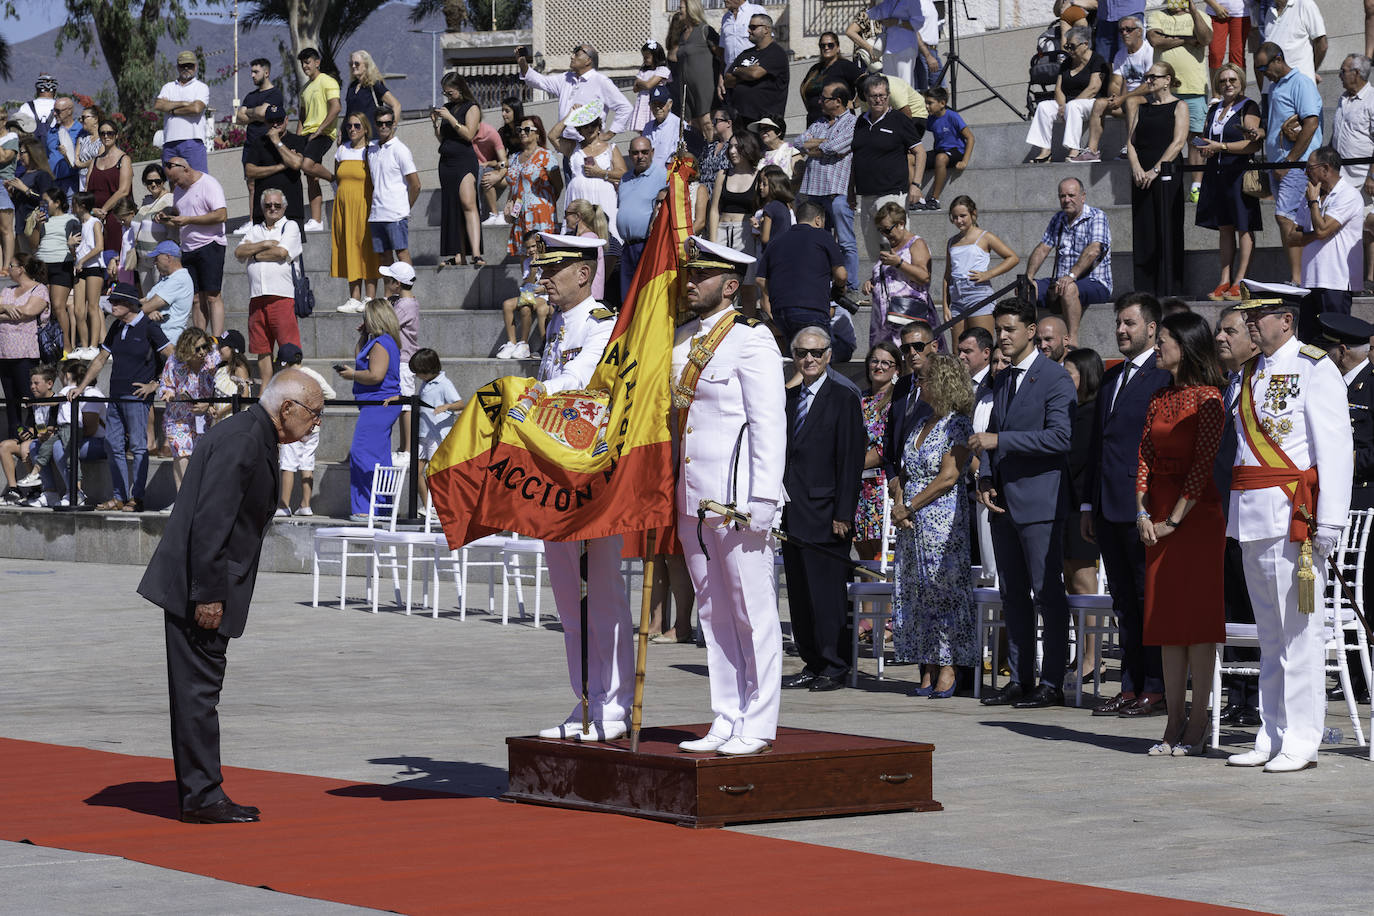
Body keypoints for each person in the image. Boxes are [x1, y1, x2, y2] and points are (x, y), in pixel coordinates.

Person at [137, 369, 324, 824]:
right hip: (200, 589)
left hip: (205, 584)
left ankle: (200, 790)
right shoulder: (243, 440)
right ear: (287, 409)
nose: (317, 423)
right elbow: (211, 523)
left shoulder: (250, 434)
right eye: (314, 413)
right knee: (199, 693)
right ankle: (202, 797)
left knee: (200, 691)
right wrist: (208, 595)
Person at [1227, 291, 1351, 773]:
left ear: (1285, 319)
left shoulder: (1313, 367)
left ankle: (1302, 737)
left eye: (1259, 316)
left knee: (1300, 633)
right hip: (1253, 514)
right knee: (1270, 635)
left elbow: (1335, 448)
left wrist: (1331, 520)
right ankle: (1272, 731)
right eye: (1248, 317)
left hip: (1293, 517)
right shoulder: (1248, 372)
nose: (1251, 324)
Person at [516, 232, 633, 744]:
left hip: (591, 476)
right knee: (569, 599)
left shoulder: (603, 324)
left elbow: (584, 379)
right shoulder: (558, 324)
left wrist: (532, 392)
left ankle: (614, 704)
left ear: (584, 273)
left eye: (554, 270)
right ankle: (585, 698)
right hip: (554, 474)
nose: (544, 279)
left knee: (602, 593)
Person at [972, 296, 1076, 709]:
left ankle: (1052, 681)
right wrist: (984, 475)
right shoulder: (1003, 379)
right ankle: (1020, 677)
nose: (1002, 337)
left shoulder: (1053, 377)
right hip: (1002, 503)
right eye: (998, 330)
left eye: (1009, 330)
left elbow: (1060, 438)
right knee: (1012, 593)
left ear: (1031, 331)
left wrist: (1001, 442)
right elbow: (994, 430)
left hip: (1039, 502)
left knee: (1047, 594)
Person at [1135, 311, 1227, 756]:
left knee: (1197, 624)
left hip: (1196, 518)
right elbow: (1144, 456)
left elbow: (1203, 466)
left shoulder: (1209, 397)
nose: (1157, 346)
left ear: (1185, 346)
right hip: (1158, 516)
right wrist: (1141, 511)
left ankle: (1199, 721)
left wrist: (1173, 520)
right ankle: (1173, 720)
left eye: (1164, 339)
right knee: (1167, 624)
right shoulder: (1158, 397)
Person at [1080, 291, 1173, 716]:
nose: (1120, 330)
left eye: (1129, 323)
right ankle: (1131, 683)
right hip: (1107, 507)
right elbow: (1097, 446)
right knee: (1123, 601)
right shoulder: (1113, 378)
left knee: (1148, 599)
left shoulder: (1163, 376)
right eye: (1118, 323)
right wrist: (1087, 505)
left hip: (1143, 510)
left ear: (1152, 329)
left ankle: (1156, 685)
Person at [781, 325, 866, 693]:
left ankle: (834, 663)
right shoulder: (789, 397)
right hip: (792, 510)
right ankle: (812, 660)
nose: (809, 359)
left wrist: (843, 513)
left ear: (829, 355)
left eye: (816, 353)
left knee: (827, 593)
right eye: (802, 353)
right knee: (799, 594)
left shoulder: (843, 397)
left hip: (828, 512)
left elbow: (850, 461)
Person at [890, 352, 975, 696]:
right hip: (911, 520)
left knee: (944, 592)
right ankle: (927, 661)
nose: (918, 384)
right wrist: (900, 504)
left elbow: (948, 477)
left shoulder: (957, 424)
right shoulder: (921, 421)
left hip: (941, 520)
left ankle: (949, 664)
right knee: (918, 593)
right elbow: (903, 473)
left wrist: (909, 505)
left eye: (923, 379)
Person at [71, 283, 173, 512]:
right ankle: (119, 497)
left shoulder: (149, 327)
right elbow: (100, 359)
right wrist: (81, 387)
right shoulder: (117, 326)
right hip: (115, 397)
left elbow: (171, 356)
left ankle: (137, 498)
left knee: (138, 447)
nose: (112, 306)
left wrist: (155, 384)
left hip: (136, 398)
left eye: (116, 302)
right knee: (112, 445)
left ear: (129, 304)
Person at [1319, 313, 1374, 704]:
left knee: (1366, 592)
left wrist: (1335, 460)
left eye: (1328, 347)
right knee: (1343, 593)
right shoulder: (1332, 385)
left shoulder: (1370, 386)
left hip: (1365, 503)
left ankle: (1366, 672)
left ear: (1341, 351)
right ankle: (1353, 675)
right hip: (1337, 503)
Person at [1213, 305, 1261, 726]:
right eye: (1218, 331)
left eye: (1229, 331)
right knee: (1230, 607)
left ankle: (1258, 698)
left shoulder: (1261, 382)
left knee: (1253, 605)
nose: (1220, 338)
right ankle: (1238, 697)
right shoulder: (1225, 383)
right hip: (1223, 515)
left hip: (1254, 514)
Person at [1253, 41, 1322, 287]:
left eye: (1263, 69)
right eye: (1258, 71)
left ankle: (1298, 278)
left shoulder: (1300, 82)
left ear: (1278, 60)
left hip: (1296, 163)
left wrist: (1290, 161)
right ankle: (1299, 275)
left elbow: (1311, 123)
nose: (1263, 75)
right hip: (1278, 163)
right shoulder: (1275, 87)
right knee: (1287, 219)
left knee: (1286, 218)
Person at [1196, 63, 1263, 301]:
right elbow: (1208, 137)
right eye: (1223, 81)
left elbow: (1253, 143)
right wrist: (1206, 148)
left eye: (1232, 80)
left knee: (1244, 226)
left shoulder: (1249, 106)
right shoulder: (1215, 108)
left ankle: (1240, 281)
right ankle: (1224, 279)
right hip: (1217, 172)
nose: (1228, 84)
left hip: (1239, 172)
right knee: (1224, 227)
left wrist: (1222, 147)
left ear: (1242, 82)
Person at [1283, 146, 1364, 342]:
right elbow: (1292, 236)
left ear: (1325, 168)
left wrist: (1313, 205)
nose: (1305, 172)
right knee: (1308, 342)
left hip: (1335, 281)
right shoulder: (1313, 195)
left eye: (1309, 167)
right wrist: (1318, 230)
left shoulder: (1348, 195)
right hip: (1310, 281)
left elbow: (1321, 230)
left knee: (1336, 342)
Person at [1024, 177, 1112, 347]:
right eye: (1062, 196)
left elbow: (1094, 249)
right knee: (1027, 289)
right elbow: (1043, 248)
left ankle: (1071, 340)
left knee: (1069, 287)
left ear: (1083, 196)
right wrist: (1028, 277)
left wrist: (1071, 276)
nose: (1066, 200)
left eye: (1071, 195)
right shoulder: (1058, 218)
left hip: (1096, 283)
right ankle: (1029, 339)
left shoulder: (1097, 216)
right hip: (1062, 282)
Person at [335, 298, 402, 520]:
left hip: (378, 405)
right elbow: (360, 356)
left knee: (362, 454)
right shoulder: (381, 341)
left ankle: (366, 509)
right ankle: (381, 508)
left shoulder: (382, 343)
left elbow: (375, 375)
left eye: (366, 317)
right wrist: (363, 335)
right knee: (379, 456)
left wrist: (351, 375)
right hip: (376, 405)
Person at [1127, 60, 1189, 296]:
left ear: (1167, 80)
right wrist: (1136, 168)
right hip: (1141, 175)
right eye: (1147, 76)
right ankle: (1145, 289)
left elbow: (1178, 142)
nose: (1149, 81)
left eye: (1153, 76)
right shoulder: (1142, 107)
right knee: (1144, 229)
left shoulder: (1179, 106)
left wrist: (1155, 170)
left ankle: (1169, 287)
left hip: (1165, 175)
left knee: (1167, 226)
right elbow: (1131, 143)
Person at [1062, 347, 1105, 684]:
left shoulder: (1092, 412)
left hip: (1082, 504)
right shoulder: (1069, 409)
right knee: (1070, 580)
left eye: (1070, 374)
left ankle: (1094, 656)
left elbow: (1076, 457)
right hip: (1064, 503)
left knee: (1083, 579)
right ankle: (1083, 654)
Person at [850, 76, 925, 263]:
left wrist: (916, 184)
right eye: (874, 96)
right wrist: (850, 191)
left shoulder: (899, 120)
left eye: (882, 95)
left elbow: (920, 152)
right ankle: (882, 289)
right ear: (866, 97)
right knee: (874, 251)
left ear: (889, 96)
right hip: (866, 197)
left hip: (892, 195)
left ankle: (902, 289)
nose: (878, 100)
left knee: (897, 248)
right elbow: (855, 158)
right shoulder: (860, 122)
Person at [516, 42, 631, 158]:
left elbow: (625, 107)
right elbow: (539, 81)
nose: (572, 56)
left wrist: (609, 134)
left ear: (588, 61)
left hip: (590, 148)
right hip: (567, 147)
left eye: (577, 54)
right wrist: (523, 64)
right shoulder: (566, 78)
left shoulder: (600, 81)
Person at [234, 189, 303, 383]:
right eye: (268, 205)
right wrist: (264, 244)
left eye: (277, 205)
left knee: (289, 347)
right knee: (261, 349)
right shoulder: (256, 230)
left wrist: (253, 254)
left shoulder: (290, 226)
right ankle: (266, 388)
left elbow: (281, 252)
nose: (272, 209)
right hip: (257, 297)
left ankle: (293, 385)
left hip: (281, 296)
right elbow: (239, 252)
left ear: (284, 207)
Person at [1146, 0, 1211, 203]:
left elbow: (1206, 38)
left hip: (1194, 88)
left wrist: (1193, 10)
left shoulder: (1201, 15)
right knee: (1164, 137)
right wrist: (1187, 39)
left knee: (1196, 139)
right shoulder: (1157, 15)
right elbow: (1155, 40)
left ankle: (1196, 186)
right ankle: (1164, 180)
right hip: (1165, 91)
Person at [798, 81, 859, 296]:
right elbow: (798, 142)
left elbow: (837, 146)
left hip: (838, 192)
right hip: (815, 192)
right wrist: (823, 144)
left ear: (838, 102)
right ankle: (821, 282)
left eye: (824, 98)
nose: (819, 101)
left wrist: (816, 146)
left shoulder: (852, 122)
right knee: (816, 242)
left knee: (845, 242)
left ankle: (850, 286)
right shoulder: (818, 122)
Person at [756, 199, 846, 344]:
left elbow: (760, 280)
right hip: (812, 308)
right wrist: (840, 288)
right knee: (817, 356)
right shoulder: (823, 236)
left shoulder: (776, 240)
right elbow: (841, 275)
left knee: (796, 356)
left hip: (781, 311)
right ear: (818, 220)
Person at [165, 156, 228, 338]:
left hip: (210, 244)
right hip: (188, 247)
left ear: (186, 169)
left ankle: (216, 339)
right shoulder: (179, 190)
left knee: (212, 295)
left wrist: (189, 220)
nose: (175, 184)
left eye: (176, 179)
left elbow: (221, 215)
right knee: (194, 298)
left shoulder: (208, 184)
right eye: (172, 181)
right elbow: (180, 211)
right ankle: (200, 338)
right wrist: (167, 216)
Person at [1026, 26, 1109, 162]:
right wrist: (1062, 106)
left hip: (1090, 103)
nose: (1069, 50)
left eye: (1072, 46)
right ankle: (1045, 151)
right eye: (1067, 46)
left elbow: (1093, 88)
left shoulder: (1097, 60)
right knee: (1044, 107)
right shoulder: (1067, 62)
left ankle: (1074, 150)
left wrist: (1068, 106)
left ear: (1085, 44)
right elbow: (1058, 89)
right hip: (1069, 104)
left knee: (1074, 106)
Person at [1077, 17, 1154, 162]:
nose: (1124, 33)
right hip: (1127, 100)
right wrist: (1114, 97)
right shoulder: (1121, 54)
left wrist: (1123, 98)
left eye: (1129, 29)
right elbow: (1116, 82)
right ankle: (1092, 151)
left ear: (1139, 31)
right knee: (1099, 103)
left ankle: (1130, 147)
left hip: (1148, 99)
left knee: (1131, 101)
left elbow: (1150, 84)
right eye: (1121, 30)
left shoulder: (1149, 51)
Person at [860, 202, 936, 346]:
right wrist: (871, 281)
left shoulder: (916, 243)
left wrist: (899, 263)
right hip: (884, 320)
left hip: (906, 317)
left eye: (887, 230)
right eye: (880, 230)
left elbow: (923, 276)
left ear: (901, 224)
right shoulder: (892, 247)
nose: (884, 235)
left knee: (908, 357)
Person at [156, 326, 221, 493]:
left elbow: (222, 388)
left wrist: (209, 405)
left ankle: (194, 498)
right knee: (182, 455)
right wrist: (168, 393)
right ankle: (184, 498)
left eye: (204, 347)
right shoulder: (174, 361)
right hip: (178, 418)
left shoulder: (214, 359)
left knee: (200, 459)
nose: (202, 352)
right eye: (197, 348)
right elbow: (165, 384)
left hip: (205, 418)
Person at [942, 196, 1017, 339]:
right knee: (959, 349)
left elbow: (1012, 258)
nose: (959, 221)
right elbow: (947, 275)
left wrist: (988, 274)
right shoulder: (952, 241)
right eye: (955, 217)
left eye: (963, 216)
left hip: (978, 293)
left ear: (973, 214)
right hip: (956, 297)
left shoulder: (985, 236)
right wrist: (946, 306)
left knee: (982, 343)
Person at [855, 342, 901, 570]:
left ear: (896, 370)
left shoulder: (897, 403)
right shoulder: (857, 400)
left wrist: (851, 465)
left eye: (886, 362)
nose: (879, 366)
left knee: (883, 560)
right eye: (875, 361)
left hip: (881, 487)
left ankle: (887, 608)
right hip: (857, 488)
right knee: (864, 560)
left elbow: (886, 447)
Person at [274, 343, 334, 517]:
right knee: (307, 463)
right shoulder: (313, 375)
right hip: (312, 428)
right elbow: (331, 394)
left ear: (284, 362)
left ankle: (284, 505)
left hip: (293, 428)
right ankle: (305, 505)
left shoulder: (287, 377)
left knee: (288, 464)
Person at [432, 72, 484, 270]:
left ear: (460, 88)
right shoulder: (447, 108)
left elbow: (468, 134)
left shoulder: (471, 108)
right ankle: (458, 254)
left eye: (451, 93)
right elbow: (443, 138)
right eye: (446, 94)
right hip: (446, 161)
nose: (448, 97)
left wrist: (451, 118)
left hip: (464, 160)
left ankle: (476, 253)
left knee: (468, 202)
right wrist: (436, 123)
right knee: (453, 208)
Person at [330, 111, 380, 313]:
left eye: (357, 126)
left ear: (365, 129)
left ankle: (370, 297)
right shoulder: (341, 151)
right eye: (349, 126)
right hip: (344, 208)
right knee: (349, 248)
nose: (352, 129)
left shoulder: (372, 151)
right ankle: (354, 297)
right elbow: (336, 178)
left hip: (366, 206)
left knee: (367, 249)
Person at [1333, 55, 1374, 293]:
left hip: (1364, 177)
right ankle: (1360, 279)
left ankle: (1369, 277)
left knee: (1369, 226)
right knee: (1356, 229)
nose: (1340, 74)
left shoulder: (1371, 98)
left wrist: (1372, 175)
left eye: (1343, 70)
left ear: (1356, 73)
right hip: (1344, 178)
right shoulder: (1343, 99)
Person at [556, 101, 625, 242]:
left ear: (599, 126)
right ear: (579, 130)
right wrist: (570, 115)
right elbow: (553, 136)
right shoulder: (573, 147)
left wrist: (600, 173)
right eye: (585, 126)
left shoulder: (611, 148)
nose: (590, 129)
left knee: (606, 236)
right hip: (578, 196)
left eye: (593, 124)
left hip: (603, 199)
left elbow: (623, 174)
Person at [0, 255, 48, 440]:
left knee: (31, 398)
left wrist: (4, 311)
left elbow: (28, 311)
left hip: (26, 353)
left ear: (21, 269)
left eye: (11, 265)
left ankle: (38, 434)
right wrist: (7, 308)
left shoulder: (40, 289)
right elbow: (18, 313)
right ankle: (15, 435)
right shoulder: (8, 290)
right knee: (12, 401)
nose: (8, 268)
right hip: (4, 353)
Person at [234, 58, 285, 231]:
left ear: (266, 72)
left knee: (270, 183)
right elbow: (239, 118)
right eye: (252, 71)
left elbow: (265, 114)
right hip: (250, 145)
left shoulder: (275, 94)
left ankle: (272, 221)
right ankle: (252, 221)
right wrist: (255, 112)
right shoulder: (250, 96)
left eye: (256, 71)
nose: (252, 75)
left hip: (268, 144)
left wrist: (250, 112)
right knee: (251, 184)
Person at [409, 347, 462, 510]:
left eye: (418, 372)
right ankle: (428, 507)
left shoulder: (444, 384)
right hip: (423, 435)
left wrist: (446, 407)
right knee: (415, 472)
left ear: (428, 370)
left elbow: (460, 404)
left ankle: (442, 507)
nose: (416, 376)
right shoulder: (426, 383)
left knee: (434, 473)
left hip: (437, 436)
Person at [367, 109, 421, 267]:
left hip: (396, 215)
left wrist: (405, 208)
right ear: (375, 125)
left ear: (394, 124)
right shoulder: (371, 150)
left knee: (401, 253)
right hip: (377, 214)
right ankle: (390, 293)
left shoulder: (400, 150)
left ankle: (407, 291)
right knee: (384, 259)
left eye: (388, 123)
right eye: (380, 123)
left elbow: (416, 185)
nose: (384, 126)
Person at [616, 136, 667, 302]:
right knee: (627, 298)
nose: (641, 156)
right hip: (627, 247)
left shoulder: (662, 176)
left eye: (645, 152)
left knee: (646, 298)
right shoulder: (624, 178)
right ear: (630, 155)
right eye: (636, 153)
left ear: (652, 152)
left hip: (648, 245)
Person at [503, 114, 563, 257]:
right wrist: (512, 209)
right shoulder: (514, 158)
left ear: (537, 134)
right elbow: (515, 188)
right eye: (520, 130)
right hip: (521, 214)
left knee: (542, 256)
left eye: (527, 129)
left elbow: (558, 186)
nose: (522, 132)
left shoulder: (546, 156)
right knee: (525, 259)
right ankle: (528, 280)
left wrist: (543, 205)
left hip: (540, 215)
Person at [29, 188, 79, 357]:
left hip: (61, 264)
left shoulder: (71, 219)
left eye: (46, 201)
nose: (42, 205)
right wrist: (38, 225)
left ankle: (67, 346)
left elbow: (77, 244)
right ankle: (49, 344)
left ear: (57, 203)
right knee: (45, 308)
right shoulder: (43, 220)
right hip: (42, 265)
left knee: (58, 306)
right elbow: (34, 244)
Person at [242, 105, 308, 232]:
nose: (276, 124)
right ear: (265, 123)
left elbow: (296, 164)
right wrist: (282, 166)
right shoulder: (258, 143)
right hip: (264, 212)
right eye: (271, 121)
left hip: (291, 210)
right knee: (263, 251)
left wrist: (276, 141)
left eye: (279, 120)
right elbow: (249, 171)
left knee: (292, 251)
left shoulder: (297, 140)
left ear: (286, 120)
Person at [297, 47, 341, 233]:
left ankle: (334, 179)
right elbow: (302, 116)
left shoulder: (328, 81)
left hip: (323, 133)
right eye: (303, 63)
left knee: (307, 165)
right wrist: (298, 140)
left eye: (308, 62)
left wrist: (321, 129)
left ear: (317, 62)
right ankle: (316, 221)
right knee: (311, 177)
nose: (305, 66)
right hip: (307, 134)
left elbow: (336, 107)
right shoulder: (304, 89)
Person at [723, 12, 789, 131]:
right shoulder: (745, 54)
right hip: (740, 118)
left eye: (753, 27)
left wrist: (738, 71)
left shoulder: (776, 53)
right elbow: (727, 80)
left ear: (766, 29)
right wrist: (742, 71)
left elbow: (755, 74)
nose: (748, 30)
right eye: (749, 27)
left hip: (763, 121)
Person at [1251, 0, 1326, 91]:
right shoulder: (1270, 12)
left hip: (1299, 89)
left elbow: (1322, 45)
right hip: (1272, 90)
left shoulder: (1304, 4)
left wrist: (1311, 71)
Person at [499, 231, 551, 360]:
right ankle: (512, 343)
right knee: (507, 304)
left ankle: (524, 344)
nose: (531, 250)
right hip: (530, 295)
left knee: (525, 306)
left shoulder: (549, 259)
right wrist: (533, 271)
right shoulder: (527, 262)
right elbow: (527, 284)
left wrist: (543, 289)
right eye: (528, 247)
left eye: (533, 246)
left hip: (545, 297)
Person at [670, 0, 720, 133]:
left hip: (704, 87)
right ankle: (700, 152)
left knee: (706, 121)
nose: (679, 11)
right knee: (693, 124)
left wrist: (721, 78)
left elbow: (721, 55)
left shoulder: (705, 30)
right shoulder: (682, 34)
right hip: (687, 88)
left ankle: (712, 151)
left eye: (681, 8)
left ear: (691, 9)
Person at [155, 51, 210, 171]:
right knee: (174, 183)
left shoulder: (201, 87)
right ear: (177, 67)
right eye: (182, 65)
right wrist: (184, 103)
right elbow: (159, 105)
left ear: (195, 67)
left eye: (189, 65)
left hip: (193, 141)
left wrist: (172, 111)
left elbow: (196, 108)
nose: (186, 68)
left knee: (197, 181)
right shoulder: (168, 87)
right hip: (170, 143)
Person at [919, 88, 972, 211]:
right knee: (912, 159)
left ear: (942, 103)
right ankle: (918, 199)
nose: (927, 107)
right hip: (939, 151)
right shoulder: (931, 119)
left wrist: (964, 161)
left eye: (930, 103)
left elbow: (970, 138)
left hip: (956, 151)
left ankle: (934, 199)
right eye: (925, 103)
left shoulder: (952, 116)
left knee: (941, 158)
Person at [87, 120, 132, 261]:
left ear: (116, 135)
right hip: (94, 216)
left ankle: (115, 284)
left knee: (114, 258)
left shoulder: (124, 159)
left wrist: (104, 210)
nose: (106, 136)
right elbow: (87, 190)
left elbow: (123, 190)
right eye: (102, 133)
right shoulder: (94, 161)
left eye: (110, 133)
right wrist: (93, 211)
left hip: (116, 216)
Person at [70, 191, 105, 357]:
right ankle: (84, 347)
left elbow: (99, 247)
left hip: (93, 267)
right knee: (78, 310)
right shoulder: (79, 225)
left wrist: (82, 260)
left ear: (82, 205)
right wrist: (71, 246)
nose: (72, 206)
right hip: (80, 268)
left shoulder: (95, 222)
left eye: (74, 203)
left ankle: (93, 346)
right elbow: (77, 252)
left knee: (92, 307)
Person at [800, 32, 862, 125]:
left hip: (838, 123)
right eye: (822, 45)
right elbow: (803, 88)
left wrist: (854, 104)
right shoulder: (815, 69)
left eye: (830, 45)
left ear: (837, 47)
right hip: (814, 122)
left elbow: (866, 81)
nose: (826, 48)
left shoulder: (845, 65)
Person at [140, 240, 195, 346]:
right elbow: (143, 303)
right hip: (157, 339)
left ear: (168, 257)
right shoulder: (166, 279)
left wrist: (147, 310)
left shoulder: (179, 279)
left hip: (168, 342)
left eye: (157, 258)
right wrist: (148, 311)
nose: (155, 262)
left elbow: (144, 307)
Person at [133, 164, 174, 293]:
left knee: (160, 298)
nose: (153, 184)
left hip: (159, 259)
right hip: (142, 260)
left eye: (157, 181)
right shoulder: (146, 202)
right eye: (149, 182)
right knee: (147, 299)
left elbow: (174, 228)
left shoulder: (170, 200)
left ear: (163, 181)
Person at [5, 135, 54, 240]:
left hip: (34, 228)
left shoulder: (42, 175)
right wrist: (10, 192)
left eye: (22, 152)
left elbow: (46, 200)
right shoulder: (22, 175)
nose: (19, 156)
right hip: (20, 226)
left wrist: (25, 189)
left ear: (32, 153)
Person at [344, 50, 401, 132]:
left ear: (366, 65)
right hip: (352, 137)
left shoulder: (374, 84)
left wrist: (392, 128)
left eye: (357, 64)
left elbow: (396, 105)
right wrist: (342, 131)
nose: (353, 66)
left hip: (371, 137)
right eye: (351, 64)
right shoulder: (352, 87)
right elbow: (348, 112)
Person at [563, 200, 609, 301]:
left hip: (588, 298)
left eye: (566, 213)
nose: (565, 218)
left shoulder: (587, 240)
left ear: (578, 216)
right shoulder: (587, 238)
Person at [630, 41, 671, 133]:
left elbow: (649, 85)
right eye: (643, 57)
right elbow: (635, 89)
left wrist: (641, 83)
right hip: (643, 103)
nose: (644, 59)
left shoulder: (662, 70)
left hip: (655, 101)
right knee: (643, 130)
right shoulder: (643, 71)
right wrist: (645, 83)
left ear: (656, 56)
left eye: (647, 57)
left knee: (656, 128)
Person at [640, 87, 681, 172]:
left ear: (669, 104)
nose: (657, 108)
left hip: (670, 178)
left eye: (661, 104)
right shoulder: (647, 127)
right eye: (654, 104)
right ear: (650, 106)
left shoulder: (679, 126)